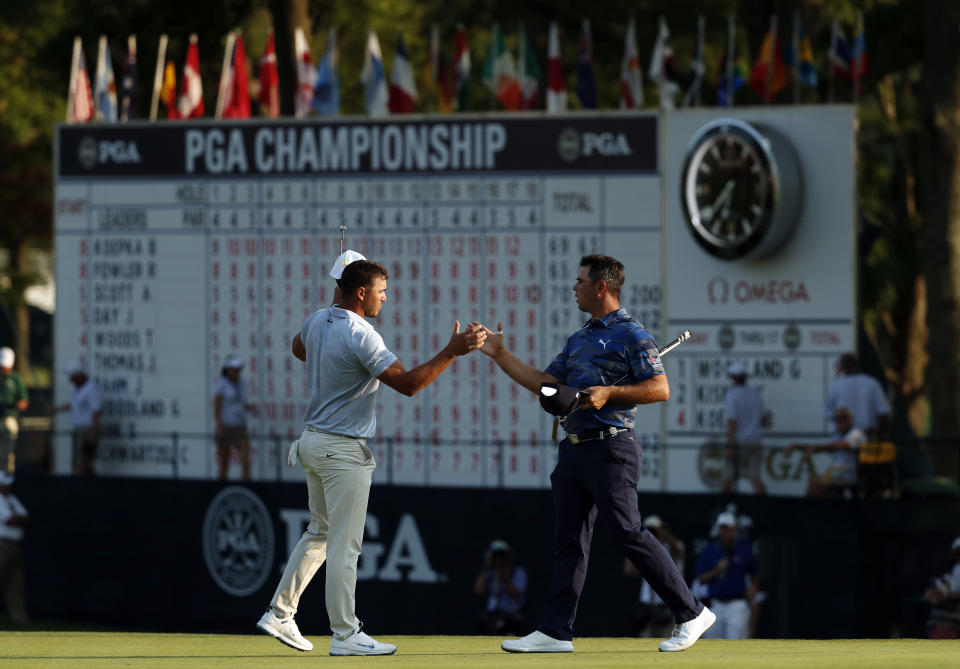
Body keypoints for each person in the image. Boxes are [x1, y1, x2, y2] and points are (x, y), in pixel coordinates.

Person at [478, 254, 714, 654]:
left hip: (612, 447)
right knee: (569, 542)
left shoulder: (633, 335)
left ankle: (691, 613)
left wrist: (610, 393)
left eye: (580, 280)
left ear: (600, 286)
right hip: (573, 451)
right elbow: (547, 385)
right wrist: (501, 354)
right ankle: (555, 631)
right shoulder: (580, 338)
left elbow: (660, 388)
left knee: (627, 531)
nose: (574, 287)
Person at [256, 259, 486, 656]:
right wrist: (451, 351)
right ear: (360, 293)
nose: (386, 297)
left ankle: (279, 612)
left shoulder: (316, 320)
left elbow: (299, 348)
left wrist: (333, 322)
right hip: (342, 451)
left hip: (312, 442)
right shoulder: (363, 336)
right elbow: (410, 384)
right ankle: (345, 634)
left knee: (321, 534)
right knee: (345, 545)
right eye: (381, 290)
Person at [695, 511, 757, 640]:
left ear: (734, 529)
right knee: (713, 643)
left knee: (736, 643)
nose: (725, 532)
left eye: (728, 528)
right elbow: (701, 579)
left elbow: (754, 572)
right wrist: (718, 570)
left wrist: (753, 587)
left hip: (737, 604)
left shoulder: (744, 548)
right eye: (722, 528)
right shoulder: (709, 550)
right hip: (715, 605)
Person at [623, 515, 686, 638]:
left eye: (654, 531)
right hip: (647, 606)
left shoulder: (671, 546)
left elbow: (678, 550)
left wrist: (661, 532)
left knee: (668, 640)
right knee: (646, 641)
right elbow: (629, 570)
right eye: (648, 531)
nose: (651, 534)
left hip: (668, 605)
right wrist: (637, 541)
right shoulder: (643, 549)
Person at [785, 407, 867, 497]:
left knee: (815, 483)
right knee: (813, 481)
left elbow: (841, 446)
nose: (840, 422)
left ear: (851, 419)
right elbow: (821, 447)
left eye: (844, 418)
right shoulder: (838, 435)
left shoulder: (856, 434)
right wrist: (797, 446)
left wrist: (814, 448)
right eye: (837, 419)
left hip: (851, 476)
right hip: (839, 474)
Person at [50, 361, 102, 477]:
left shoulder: (92, 388)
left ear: (78, 376)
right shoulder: (76, 388)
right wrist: (55, 410)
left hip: (87, 430)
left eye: (72, 378)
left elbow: (96, 411)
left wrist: (93, 432)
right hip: (78, 430)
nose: (70, 381)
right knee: (80, 462)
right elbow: (72, 404)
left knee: (84, 462)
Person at [723, 361, 768, 495]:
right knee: (755, 478)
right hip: (755, 442)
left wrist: (729, 446)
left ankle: (723, 509)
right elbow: (763, 419)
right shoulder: (756, 393)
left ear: (733, 377)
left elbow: (732, 422)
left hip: (739, 444)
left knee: (727, 479)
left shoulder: (732, 395)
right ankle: (769, 509)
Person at [825, 352, 891, 440]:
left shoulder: (836, 386)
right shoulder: (872, 383)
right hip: (866, 436)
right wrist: (881, 433)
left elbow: (830, 414)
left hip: (847, 437)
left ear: (842, 367)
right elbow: (883, 413)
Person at [213, 355, 256, 481]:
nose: (237, 371)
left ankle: (247, 486)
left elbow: (239, 403)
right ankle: (220, 487)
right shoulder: (222, 384)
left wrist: (249, 408)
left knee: (246, 459)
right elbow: (217, 405)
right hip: (225, 427)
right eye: (234, 368)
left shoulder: (243, 383)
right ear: (228, 369)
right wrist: (219, 426)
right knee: (224, 461)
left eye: (238, 368)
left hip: (240, 427)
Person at [474, 539, 529, 636]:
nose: (498, 559)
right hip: (491, 616)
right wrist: (485, 568)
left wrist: (506, 577)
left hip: (511, 617)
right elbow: (479, 589)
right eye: (495, 556)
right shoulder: (490, 572)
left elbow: (516, 593)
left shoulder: (517, 571)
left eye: (501, 556)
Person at [0, 472, 29, 624]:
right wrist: (17, 518)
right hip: (2, 545)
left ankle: (20, 620)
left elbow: (26, 518)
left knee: (15, 584)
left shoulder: (12, 499)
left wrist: (18, 519)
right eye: (5, 484)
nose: (8, 486)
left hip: (15, 545)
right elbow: (10, 520)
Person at [923, 537, 960, 638]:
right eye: (958, 553)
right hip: (942, 621)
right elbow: (929, 595)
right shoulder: (951, 573)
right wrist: (943, 593)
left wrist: (945, 595)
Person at [0, 348, 28, 475]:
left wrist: (12, 404)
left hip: (9, 419)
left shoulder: (16, 378)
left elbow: (24, 402)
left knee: (9, 454)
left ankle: (6, 480)